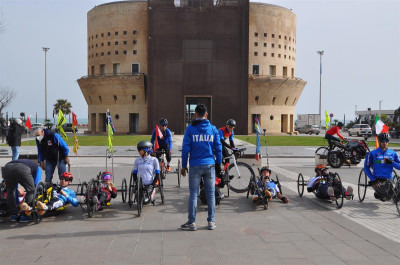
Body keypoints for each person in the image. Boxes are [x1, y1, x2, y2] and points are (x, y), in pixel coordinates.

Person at [180, 104, 222, 231]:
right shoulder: (213, 129)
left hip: (195, 165)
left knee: (193, 194)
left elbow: (185, 149)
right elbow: (218, 148)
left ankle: (192, 222)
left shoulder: (190, 129)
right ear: (207, 114)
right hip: (209, 165)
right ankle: (211, 222)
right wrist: (218, 164)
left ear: (195, 114)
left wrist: (183, 165)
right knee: (211, 194)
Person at [364, 133, 400, 201]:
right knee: (385, 196)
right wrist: (373, 179)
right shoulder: (372, 154)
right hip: (377, 180)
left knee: (392, 193)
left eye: (387, 141)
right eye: (383, 141)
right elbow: (366, 168)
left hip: (389, 179)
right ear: (379, 141)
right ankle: (379, 195)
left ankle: (393, 197)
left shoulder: (393, 153)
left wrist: (392, 162)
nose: (385, 143)